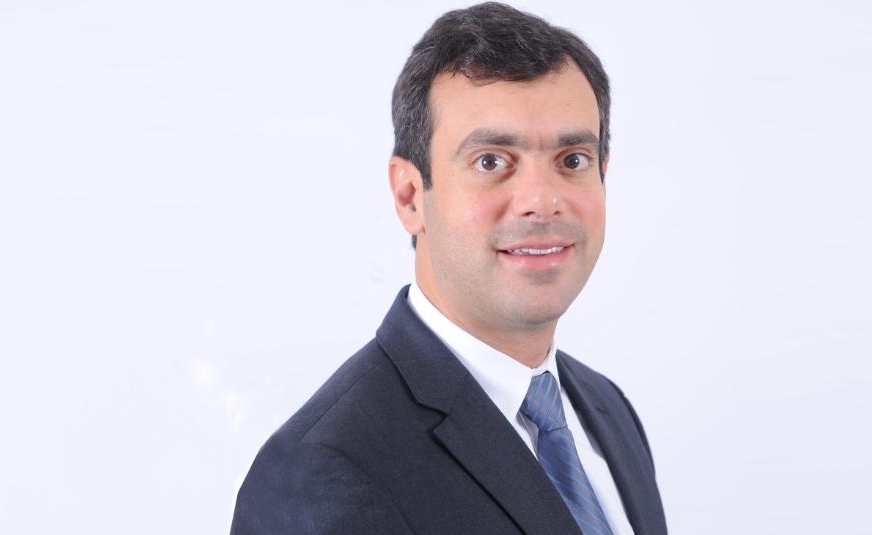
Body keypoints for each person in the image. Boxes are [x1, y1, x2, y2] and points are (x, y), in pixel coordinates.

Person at [230, 3, 667, 534]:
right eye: (491, 161)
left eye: (572, 160)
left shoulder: (606, 411)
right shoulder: (321, 474)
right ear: (410, 196)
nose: (542, 201)